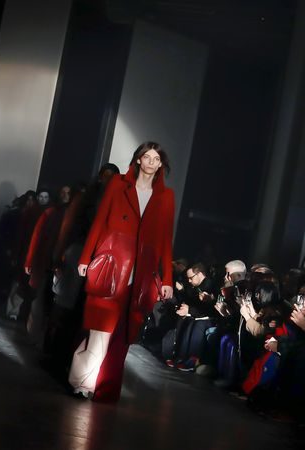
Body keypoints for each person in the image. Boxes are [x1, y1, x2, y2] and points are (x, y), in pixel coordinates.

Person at [69, 141, 175, 402]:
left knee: (125, 333)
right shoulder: (118, 184)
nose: (151, 162)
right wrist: (86, 257)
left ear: (161, 165)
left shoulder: (166, 196)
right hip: (112, 262)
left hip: (142, 272)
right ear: (138, 159)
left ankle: (105, 388)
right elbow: (100, 220)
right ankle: (83, 383)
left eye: (156, 159)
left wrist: (167, 279)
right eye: (147, 157)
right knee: (100, 329)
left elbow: (165, 238)